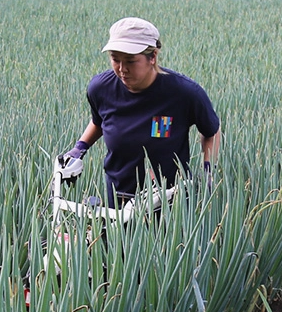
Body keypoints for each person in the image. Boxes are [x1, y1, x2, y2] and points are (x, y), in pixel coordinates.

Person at [60, 17, 221, 205]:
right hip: (118, 197)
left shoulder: (184, 93)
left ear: (152, 57)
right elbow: (99, 122)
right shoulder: (101, 89)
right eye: (115, 59)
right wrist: (79, 148)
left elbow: (211, 131)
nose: (121, 69)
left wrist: (208, 172)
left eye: (130, 61)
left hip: (169, 201)